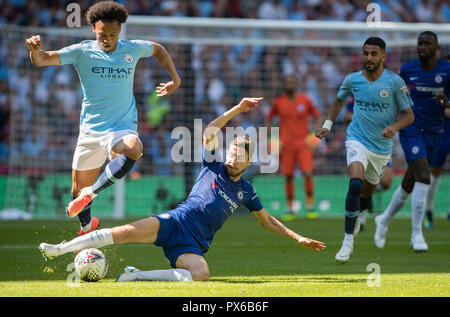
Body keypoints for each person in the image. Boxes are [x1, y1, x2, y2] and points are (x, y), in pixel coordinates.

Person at [39, 97, 326, 282]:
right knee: (123, 233)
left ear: (249, 161)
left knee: (201, 273)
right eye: (231, 150)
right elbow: (211, 131)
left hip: (193, 244)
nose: (230, 156)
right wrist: (238, 109)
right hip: (175, 222)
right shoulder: (213, 164)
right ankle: (59, 250)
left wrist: (297, 237)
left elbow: (267, 221)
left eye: (237, 154)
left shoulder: (247, 191)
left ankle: (135, 277)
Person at [25, 1, 181, 236]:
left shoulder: (132, 49)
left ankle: (93, 192)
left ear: (120, 30)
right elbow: (42, 59)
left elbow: (158, 49)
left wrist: (175, 78)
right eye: (101, 34)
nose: (106, 39)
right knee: (77, 194)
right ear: (92, 30)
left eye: (112, 34)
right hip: (90, 132)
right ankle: (87, 228)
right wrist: (35, 50)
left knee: (133, 147)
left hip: (122, 127)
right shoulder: (82, 51)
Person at [315, 37, 414, 263]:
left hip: (381, 148)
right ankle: (347, 241)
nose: (369, 58)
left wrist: (393, 127)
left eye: (373, 54)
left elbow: (409, 115)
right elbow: (338, 102)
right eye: (366, 53)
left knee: (367, 192)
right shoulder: (352, 80)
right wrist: (327, 126)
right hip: (357, 139)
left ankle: (360, 213)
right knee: (356, 183)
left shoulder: (395, 83)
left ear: (383, 56)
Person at [374, 32, 449, 251]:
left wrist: (448, 103)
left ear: (437, 48)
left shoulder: (446, 70)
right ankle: (417, 235)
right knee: (424, 176)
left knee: (409, 182)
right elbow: (395, 98)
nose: (422, 47)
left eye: (427, 44)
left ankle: (384, 219)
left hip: (436, 131)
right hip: (412, 129)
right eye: (420, 44)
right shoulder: (408, 70)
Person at [266, 75, 321, 221]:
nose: (289, 84)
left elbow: (318, 116)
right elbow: (268, 119)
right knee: (288, 176)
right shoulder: (279, 102)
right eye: (287, 82)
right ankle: (290, 209)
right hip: (286, 144)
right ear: (284, 85)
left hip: (303, 143)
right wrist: (272, 138)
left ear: (296, 85)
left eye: (292, 82)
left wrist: (315, 136)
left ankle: (310, 206)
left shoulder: (305, 100)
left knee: (308, 173)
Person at [344, 97, 394, 231]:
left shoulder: (386, 92)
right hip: (362, 142)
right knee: (360, 180)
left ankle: (367, 194)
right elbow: (347, 116)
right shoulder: (357, 92)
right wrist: (366, 117)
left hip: (381, 142)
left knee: (386, 182)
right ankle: (361, 219)